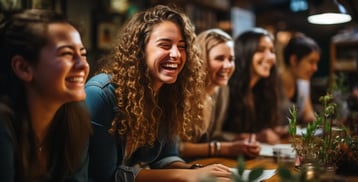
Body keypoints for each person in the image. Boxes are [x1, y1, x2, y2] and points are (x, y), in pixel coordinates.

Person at [85, 5, 232, 182]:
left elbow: (166, 157)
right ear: (140, 49)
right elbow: (106, 176)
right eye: (165, 45)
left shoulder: (168, 93)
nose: (176, 54)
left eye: (182, 46)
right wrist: (186, 176)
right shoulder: (100, 94)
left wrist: (197, 171)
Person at [0, 9, 92, 181]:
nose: (83, 65)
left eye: (83, 54)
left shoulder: (74, 117)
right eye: (66, 53)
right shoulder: (3, 123)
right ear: (23, 68)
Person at [179, 28, 260, 160]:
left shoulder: (221, 90)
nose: (227, 66)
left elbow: (213, 135)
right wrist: (225, 148)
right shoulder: (183, 94)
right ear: (201, 59)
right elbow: (176, 149)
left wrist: (236, 138)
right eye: (219, 58)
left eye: (231, 59)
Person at [223, 28, 287, 145]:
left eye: (272, 51)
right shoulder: (226, 88)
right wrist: (257, 137)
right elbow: (215, 134)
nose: (270, 57)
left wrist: (273, 131)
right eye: (260, 50)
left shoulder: (263, 89)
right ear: (245, 53)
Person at [280, 33, 321, 124]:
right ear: (294, 60)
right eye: (311, 62)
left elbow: (308, 113)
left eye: (316, 63)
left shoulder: (303, 84)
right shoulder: (271, 83)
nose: (315, 68)